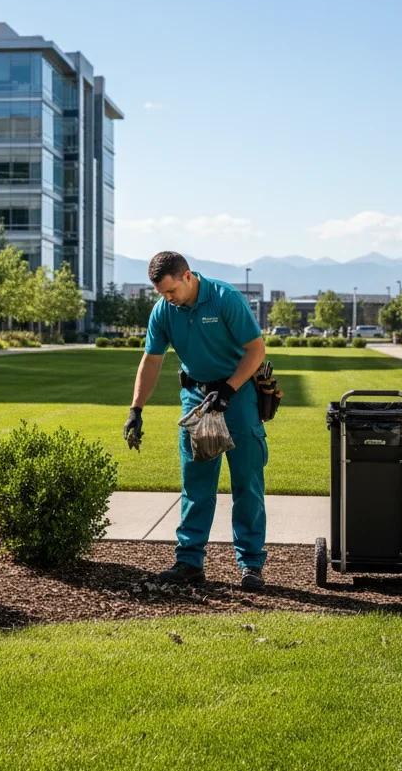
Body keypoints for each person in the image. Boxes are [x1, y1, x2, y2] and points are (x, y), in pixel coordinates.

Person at [124, 250, 268, 590]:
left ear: (187, 276)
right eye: (162, 294)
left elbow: (256, 350)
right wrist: (136, 409)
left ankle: (250, 565)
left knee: (247, 482)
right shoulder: (164, 311)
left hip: (238, 397)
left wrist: (229, 390)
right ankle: (189, 561)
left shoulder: (225, 298)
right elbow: (152, 361)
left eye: (172, 291)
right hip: (197, 401)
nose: (168, 299)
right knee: (196, 482)